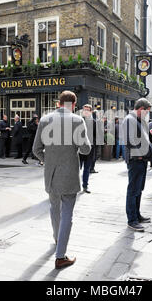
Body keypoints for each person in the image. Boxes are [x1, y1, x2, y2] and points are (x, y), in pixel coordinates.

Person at [33, 91, 91, 270]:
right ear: (73, 104)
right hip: (69, 175)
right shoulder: (77, 120)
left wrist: (47, 159)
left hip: (50, 174)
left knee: (54, 208)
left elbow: (36, 149)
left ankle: (58, 239)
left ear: (59, 103)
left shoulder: (44, 120)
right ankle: (60, 256)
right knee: (67, 214)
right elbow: (86, 149)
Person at [121, 98, 152, 232]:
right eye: (147, 112)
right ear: (141, 109)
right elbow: (129, 140)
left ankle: (137, 215)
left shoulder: (138, 120)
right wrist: (140, 153)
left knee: (139, 189)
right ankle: (132, 220)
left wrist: (149, 135)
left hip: (141, 158)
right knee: (133, 190)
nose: (147, 114)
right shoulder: (130, 119)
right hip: (136, 159)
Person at [79, 104, 97, 193]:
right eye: (84, 109)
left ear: (91, 111)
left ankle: (85, 186)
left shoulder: (94, 122)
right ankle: (74, 186)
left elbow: (96, 136)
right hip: (79, 149)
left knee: (86, 168)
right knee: (76, 168)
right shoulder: (77, 121)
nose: (86, 111)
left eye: (88, 110)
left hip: (90, 149)